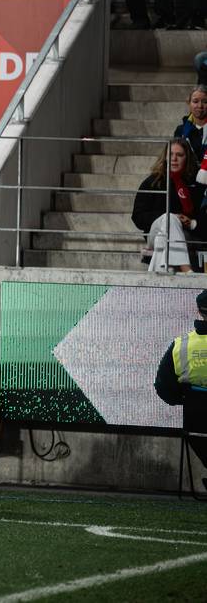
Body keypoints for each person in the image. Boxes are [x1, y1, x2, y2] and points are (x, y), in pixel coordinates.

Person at [155, 289, 207, 492]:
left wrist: (184, 399)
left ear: (199, 311)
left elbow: (162, 386)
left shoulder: (181, 344)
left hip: (195, 420)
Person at [132, 138, 207, 273]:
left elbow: (203, 217)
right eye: (171, 154)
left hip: (184, 235)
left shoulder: (196, 183)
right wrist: (166, 217)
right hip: (154, 232)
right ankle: (186, 269)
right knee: (169, 219)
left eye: (179, 155)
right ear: (165, 157)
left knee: (163, 239)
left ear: (187, 158)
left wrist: (191, 223)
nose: (174, 159)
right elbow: (137, 217)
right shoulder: (152, 182)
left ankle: (164, 276)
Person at [174, 85, 207, 162]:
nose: (200, 106)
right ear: (189, 103)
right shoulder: (180, 130)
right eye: (195, 101)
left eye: (205, 102)